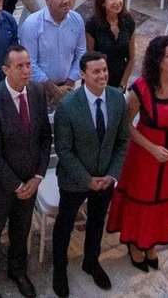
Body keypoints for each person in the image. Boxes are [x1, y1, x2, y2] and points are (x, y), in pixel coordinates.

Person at [106, 35, 168, 270]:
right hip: (145, 155)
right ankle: (135, 243)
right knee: (142, 199)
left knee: (163, 198)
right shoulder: (141, 90)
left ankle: (151, 242)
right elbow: (125, 123)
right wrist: (152, 148)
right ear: (157, 60)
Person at [49, 51, 130, 298]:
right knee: (65, 223)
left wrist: (112, 175)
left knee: (97, 221)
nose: (102, 75)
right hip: (75, 179)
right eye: (96, 71)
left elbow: (122, 141)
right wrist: (86, 179)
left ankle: (91, 261)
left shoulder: (117, 99)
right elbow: (64, 149)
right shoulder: (67, 106)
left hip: (105, 177)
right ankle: (59, 269)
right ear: (83, 75)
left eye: (104, 70)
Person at [0, 45, 51, 298]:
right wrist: (17, 186)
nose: (26, 70)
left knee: (22, 230)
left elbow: (44, 137)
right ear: (6, 69)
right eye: (20, 66)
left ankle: (18, 270)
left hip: (30, 179)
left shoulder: (38, 93)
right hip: (0, 185)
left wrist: (37, 177)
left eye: (28, 64)